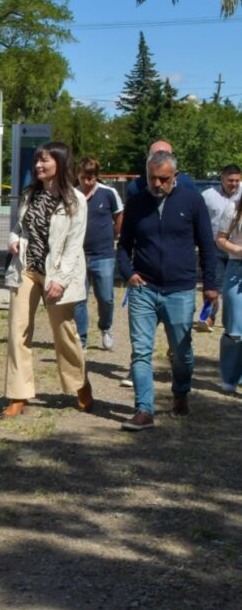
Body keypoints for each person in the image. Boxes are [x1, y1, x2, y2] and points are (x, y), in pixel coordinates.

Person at [118, 149, 220, 430]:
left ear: (175, 175)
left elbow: (207, 247)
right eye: (152, 178)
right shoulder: (136, 203)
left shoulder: (193, 201)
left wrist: (211, 285)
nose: (157, 184)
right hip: (144, 289)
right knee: (141, 351)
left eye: (163, 179)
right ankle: (144, 410)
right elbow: (124, 246)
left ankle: (181, 393)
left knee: (182, 352)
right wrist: (128, 273)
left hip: (180, 290)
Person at [2, 142, 91, 418]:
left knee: (64, 333)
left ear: (60, 163)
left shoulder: (75, 200)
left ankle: (80, 384)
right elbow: (19, 227)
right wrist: (14, 239)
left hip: (57, 273)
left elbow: (74, 245)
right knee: (17, 330)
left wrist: (61, 280)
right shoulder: (30, 194)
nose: (39, 165)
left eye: (45, 160)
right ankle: (19, 394)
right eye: (38, 160)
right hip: (26, 268)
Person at [74, 156, 123, 351]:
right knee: (79, 299)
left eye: (91, 178)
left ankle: (106, 326)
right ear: (78, 175)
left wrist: (113, 235)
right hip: (78, 255)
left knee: (106, 297)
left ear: (97, 176)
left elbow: (119, 216)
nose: (87, 182)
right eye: (84, 177)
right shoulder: (72, 194)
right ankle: (81, 338)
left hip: (103, 254)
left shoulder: (108, 193)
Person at [200, 164, 242, 330]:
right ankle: (209, 317)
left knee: (232, 288)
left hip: (237, 250)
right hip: (214, 247)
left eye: (237, 180)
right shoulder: (208, 196)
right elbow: (200, 221)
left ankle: (234, 319)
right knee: (213, 284)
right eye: (230, 180)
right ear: (222, 178)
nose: (234, 184)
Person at [216, 195, 242, 392]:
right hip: (236, 268)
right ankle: (230, 377)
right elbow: (220, 239)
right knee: (234, 329)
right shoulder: (233, 207)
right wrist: (238, 250)